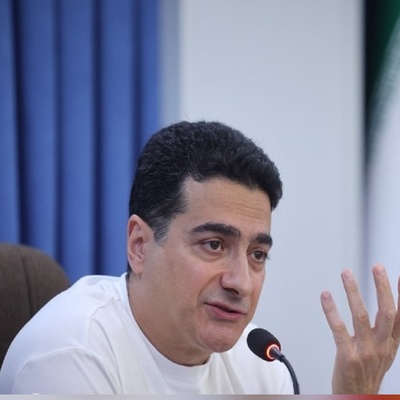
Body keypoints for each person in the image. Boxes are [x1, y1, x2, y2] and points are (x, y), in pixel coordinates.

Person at [0, 121, 399, 394]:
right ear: (139, 246)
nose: (240, 282)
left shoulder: (262, 365)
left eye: (257, 254)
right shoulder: (70, 355)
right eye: (214, 245)